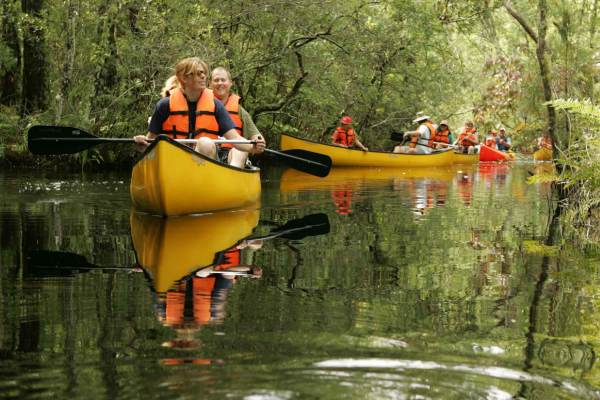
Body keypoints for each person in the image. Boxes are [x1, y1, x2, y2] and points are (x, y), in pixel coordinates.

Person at [133, 57, 265, 168]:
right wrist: (141, 143)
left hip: (203, 168)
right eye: (197, 73)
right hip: (174, 164)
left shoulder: (215, 105)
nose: (203, 76)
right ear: (184, 78)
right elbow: (148, 144)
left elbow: (235, 139)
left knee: (205, 142)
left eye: (203, 73)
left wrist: (253, 148)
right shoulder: (164, 105)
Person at [209, 66, 267, 167]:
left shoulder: (240, 111)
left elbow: (256, 136)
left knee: (239, 151)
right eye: (216, 80)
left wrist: (258, 142)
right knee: (205, 145)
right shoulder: (200, 105)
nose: (220, 83)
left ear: (230, 83)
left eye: (223, 80)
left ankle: (231, 178)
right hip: (210, 153)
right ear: (210, 84)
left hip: (232, 154)